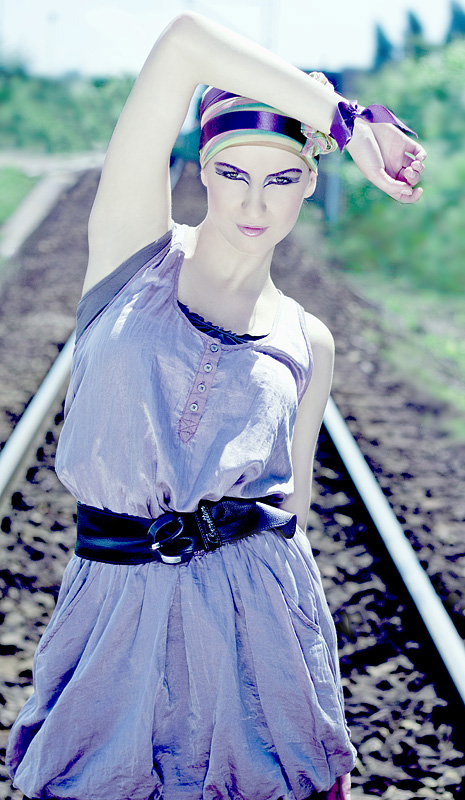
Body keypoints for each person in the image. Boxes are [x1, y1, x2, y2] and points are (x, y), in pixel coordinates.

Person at [6, 12, 425, 800]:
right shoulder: (133, 254)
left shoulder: (308, 340)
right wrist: (349, 119)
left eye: (281, 178)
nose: (253, 202)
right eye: (233, 173)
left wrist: (312, 696)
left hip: (255, 634)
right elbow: (183, 43)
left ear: (309, 182)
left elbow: (292, 523)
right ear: (200, 170)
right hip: (114, 615)